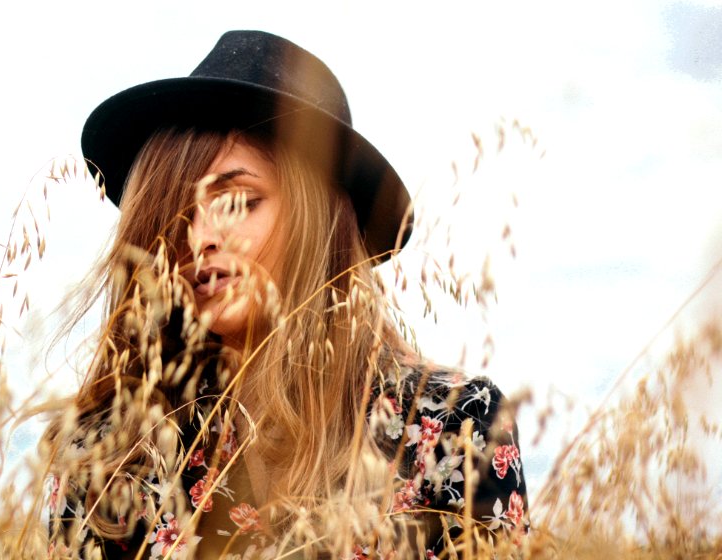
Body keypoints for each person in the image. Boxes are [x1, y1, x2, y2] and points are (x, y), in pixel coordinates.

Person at [42, 31, 528, 559]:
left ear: (317, 221)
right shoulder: (108, 455)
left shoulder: (455, 424)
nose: (198, 237)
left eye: (239, 201)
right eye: (176, 212)